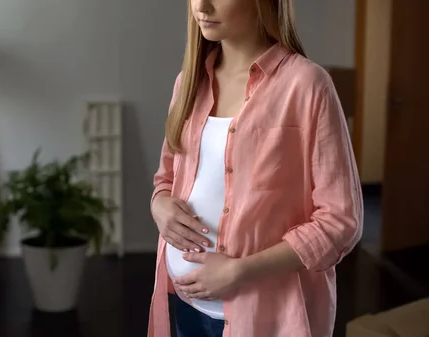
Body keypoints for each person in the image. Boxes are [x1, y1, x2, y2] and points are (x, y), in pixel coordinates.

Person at [148, 0, 363, 336]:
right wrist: (159, 204)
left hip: (264, 316)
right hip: (182, 302)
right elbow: (166, 178)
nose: (200, 6)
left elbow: (340, 221)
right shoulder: (188, 83)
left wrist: (241, 271)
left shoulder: (307, 85)